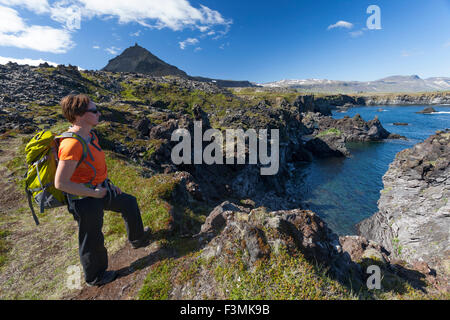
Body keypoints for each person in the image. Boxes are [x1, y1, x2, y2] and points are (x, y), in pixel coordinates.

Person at [55, 94, 151, 287]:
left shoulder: (90, 135)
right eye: (94, 111)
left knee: (128, 202)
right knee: (92, 235)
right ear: (79, 115)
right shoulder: (71, 144)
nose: (99, 113)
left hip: (100, 189)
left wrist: (107, 183)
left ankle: (137, 238)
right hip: (84, 199)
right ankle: (95, 277)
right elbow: (61, 183)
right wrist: (93, 193)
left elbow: (93, 164)